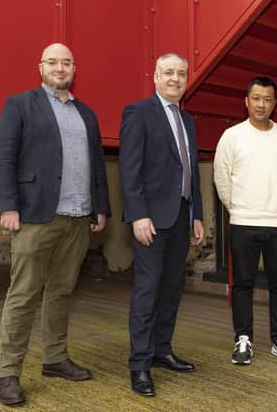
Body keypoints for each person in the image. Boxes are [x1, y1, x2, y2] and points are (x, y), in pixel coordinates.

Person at [0, 43, 111, 406]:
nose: (60, 68)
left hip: (78, 217)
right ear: (40, 66)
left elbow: (98, 164)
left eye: (67, 63)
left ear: (75, 68)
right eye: (53, 62)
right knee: (24, 293)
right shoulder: (20, 104)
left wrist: (99, 206)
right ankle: (8, 372)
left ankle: (55, 358)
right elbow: (3, 157)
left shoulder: (86, 113)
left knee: (61, 292)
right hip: (34, 216)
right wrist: (8, 206)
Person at [119, 53, 204, 397]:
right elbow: (129, 168)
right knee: (147, 290)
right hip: (151, 220)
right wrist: (138, 214)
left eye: (181, 74)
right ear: (155, 77)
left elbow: (191, 172)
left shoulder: (188, 120)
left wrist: (196, 213)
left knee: (171, 288)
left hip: (180, 217)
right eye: (168, 73)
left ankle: (161, 350)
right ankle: (139, 365)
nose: (175, 79)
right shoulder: (139, 112)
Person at [213, 77, 277, 366]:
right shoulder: (231, 136)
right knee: (242, 284)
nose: (261, 104)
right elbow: (221, 179)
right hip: (243, 221)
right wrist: (238, 207)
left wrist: (274, 203)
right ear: (246, 101)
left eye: (267, 99)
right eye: (256, 98)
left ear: (274, 103)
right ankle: (243, 338)